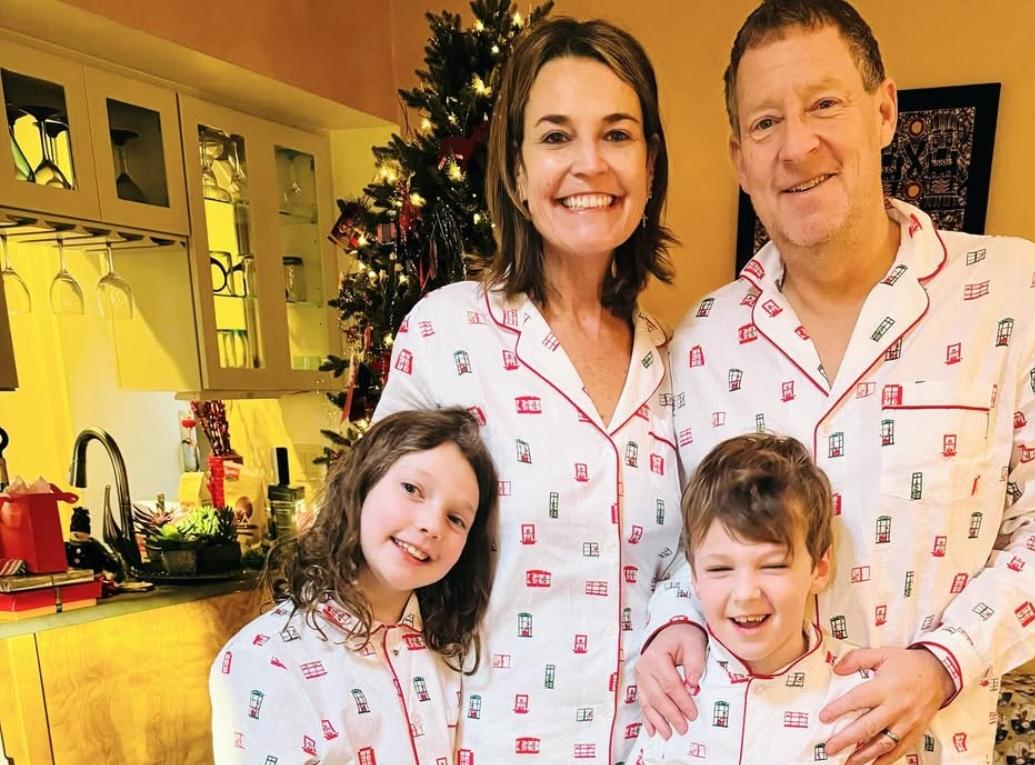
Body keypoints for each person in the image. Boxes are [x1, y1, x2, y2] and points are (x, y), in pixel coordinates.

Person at [637, 2, 1035, 763]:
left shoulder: (1019, 296)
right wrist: (673, 620)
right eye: (766, 123)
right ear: (739, 156)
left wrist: (943, 662)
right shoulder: (700, 341)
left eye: (824, 104)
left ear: (885, 110)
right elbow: (678, 542)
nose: (797, 145)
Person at [371, 17, 682, 763]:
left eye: (616, 134)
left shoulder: (675, 362)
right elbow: (372, 569)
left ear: (649, 162)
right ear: (514, 170)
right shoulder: (447, 335)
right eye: (554, 136)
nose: (589, 164)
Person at [209, 408, 497, 764]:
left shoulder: (450, 649)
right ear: (362, 483)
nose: (431, 525)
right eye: (412, 489)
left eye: (456, 519)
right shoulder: (264, 660)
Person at [632, 433, 872, 764]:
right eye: (719, 569)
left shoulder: (857, 696)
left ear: (819, 567)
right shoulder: (673, 690)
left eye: (773, 565)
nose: (746, 593)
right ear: (695, 578)